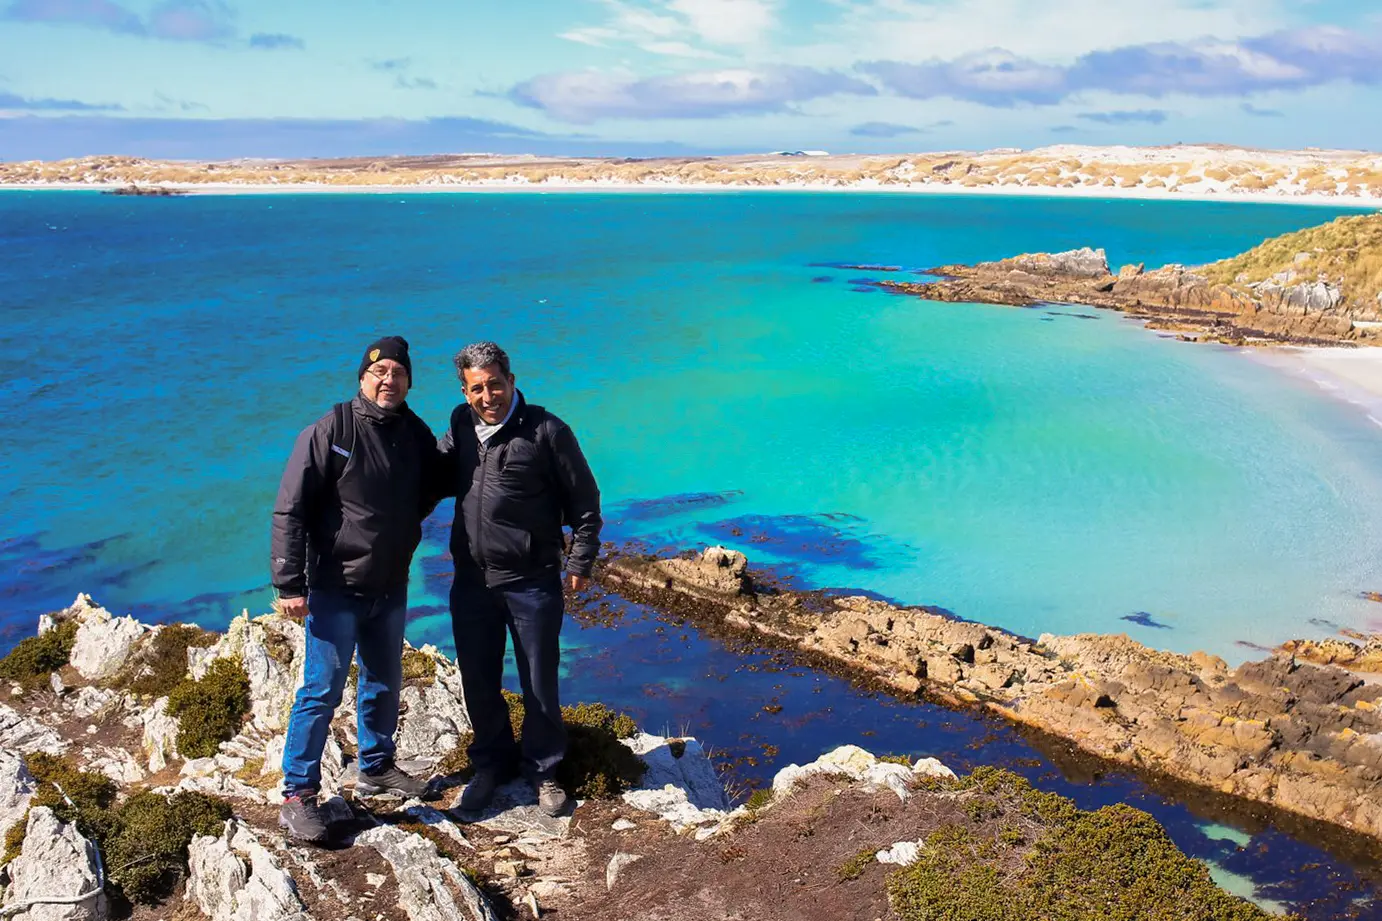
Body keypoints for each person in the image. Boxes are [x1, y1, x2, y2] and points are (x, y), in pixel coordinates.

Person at [270, 335, 441, 843]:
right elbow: (290, 508)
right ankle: (298, 794)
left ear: (410, 381)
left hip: (390, 584)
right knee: (320, 691)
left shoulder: (414, 432)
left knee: (385, 680)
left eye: (399, 372)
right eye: (380, 371)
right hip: (333, 585)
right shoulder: (331, 430)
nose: (389, 380)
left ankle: (376, 765)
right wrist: (289, 582)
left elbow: (431, 486)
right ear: (363, 377)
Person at [438, 341, 602, 817]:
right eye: (476, 388)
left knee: (538, 680)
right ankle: (490, 764)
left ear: (510, 380)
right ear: (465, 391)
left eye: (494, 384)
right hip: (471, 581)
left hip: (531, 581)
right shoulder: (460, 425)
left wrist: (580, 563)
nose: (487, 395)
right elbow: (435, 473)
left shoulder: (548, 431)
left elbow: (586, 506)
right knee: (479, 679)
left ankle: (545, 770)